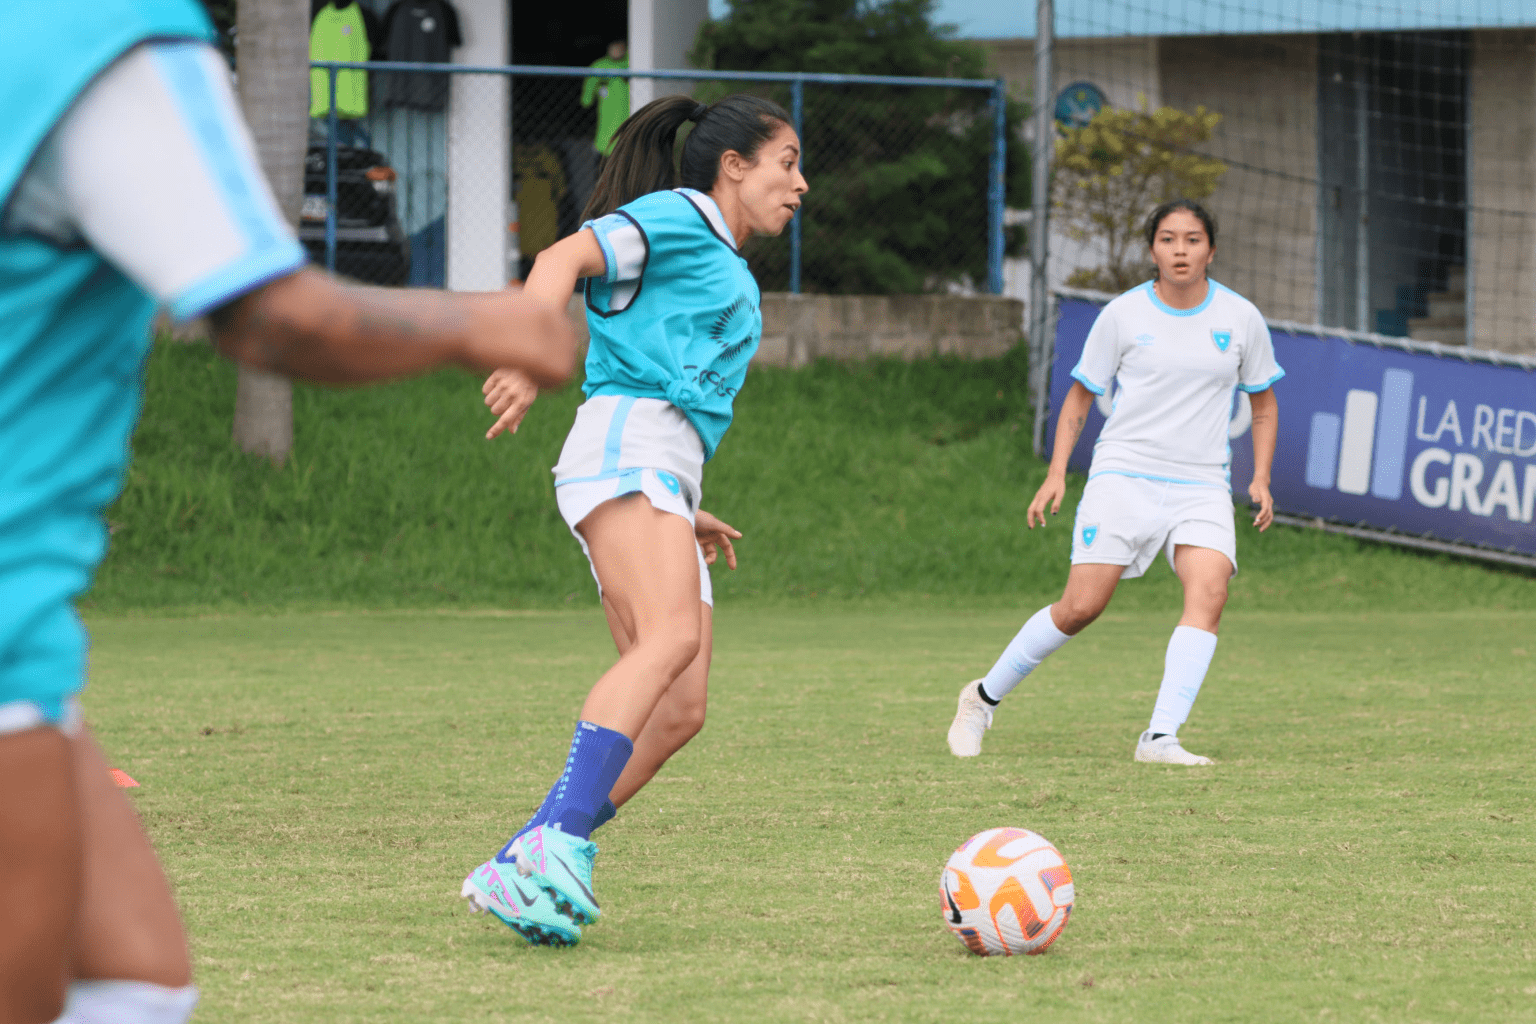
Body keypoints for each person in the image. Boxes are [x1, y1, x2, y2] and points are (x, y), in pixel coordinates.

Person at [0, 4, 576, 1023]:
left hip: (28, 650)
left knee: (140, 980)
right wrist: (488, 317)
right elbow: (270, 314)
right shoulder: (105, 34)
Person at [461, 93, 807, 946]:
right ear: (734, 166)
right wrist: (529, 355)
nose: (801, 184)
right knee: (669, 642)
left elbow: (666, 376)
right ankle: (557, 844)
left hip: (655, 469)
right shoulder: (681, 215)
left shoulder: (719, 253)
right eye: (787, 162)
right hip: (625, 450)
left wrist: (685, 505)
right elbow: (556, 259)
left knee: (681, 709)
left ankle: (517, 861)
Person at [947, 199, 1283, 766]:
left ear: (1212, 250)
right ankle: (981, 698)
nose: (1181, 250)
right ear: (1152, 249)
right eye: (1169, 239)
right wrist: (1056, 473)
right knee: (1081, 607)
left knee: (1210, 593)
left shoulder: (1241, 318)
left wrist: (1262, 478)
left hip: (1201, 483)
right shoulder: (1124, 315)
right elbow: (1079, 396)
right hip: (1124, 477)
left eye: (1193, 240)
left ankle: (1159, 738)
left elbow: (1265, 405)